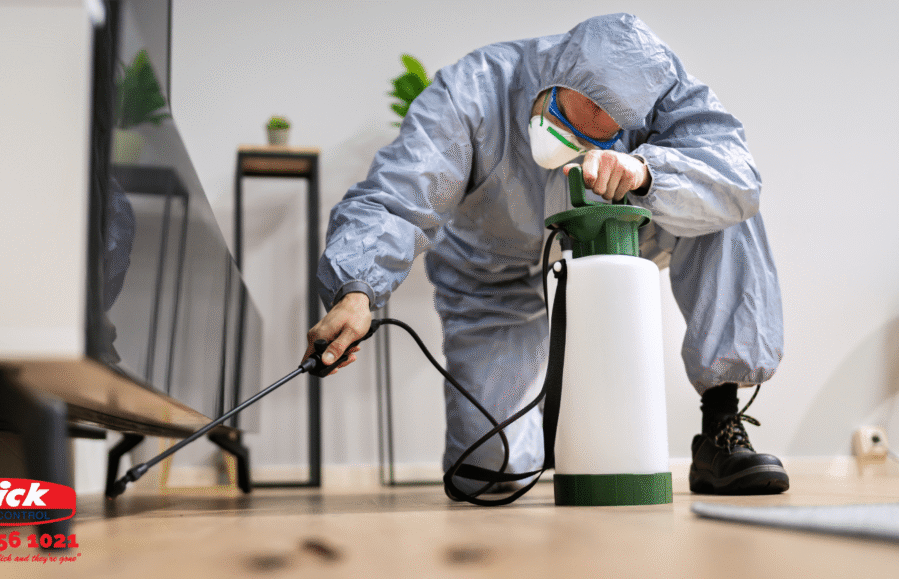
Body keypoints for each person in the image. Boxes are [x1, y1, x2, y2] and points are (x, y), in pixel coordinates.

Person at [304, 13, 787, 496]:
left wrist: (644, 171)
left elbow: (736, 179)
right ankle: (540, 442)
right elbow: (400, 194)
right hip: (493, 278)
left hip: (614, 245)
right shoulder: (473, 90)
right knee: (490, 474)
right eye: (565, 115)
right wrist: (356, 290)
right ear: (551, 75)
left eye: (600, 132)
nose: (571, 142)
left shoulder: (665, 88)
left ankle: (722, 426)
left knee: (723, 207)